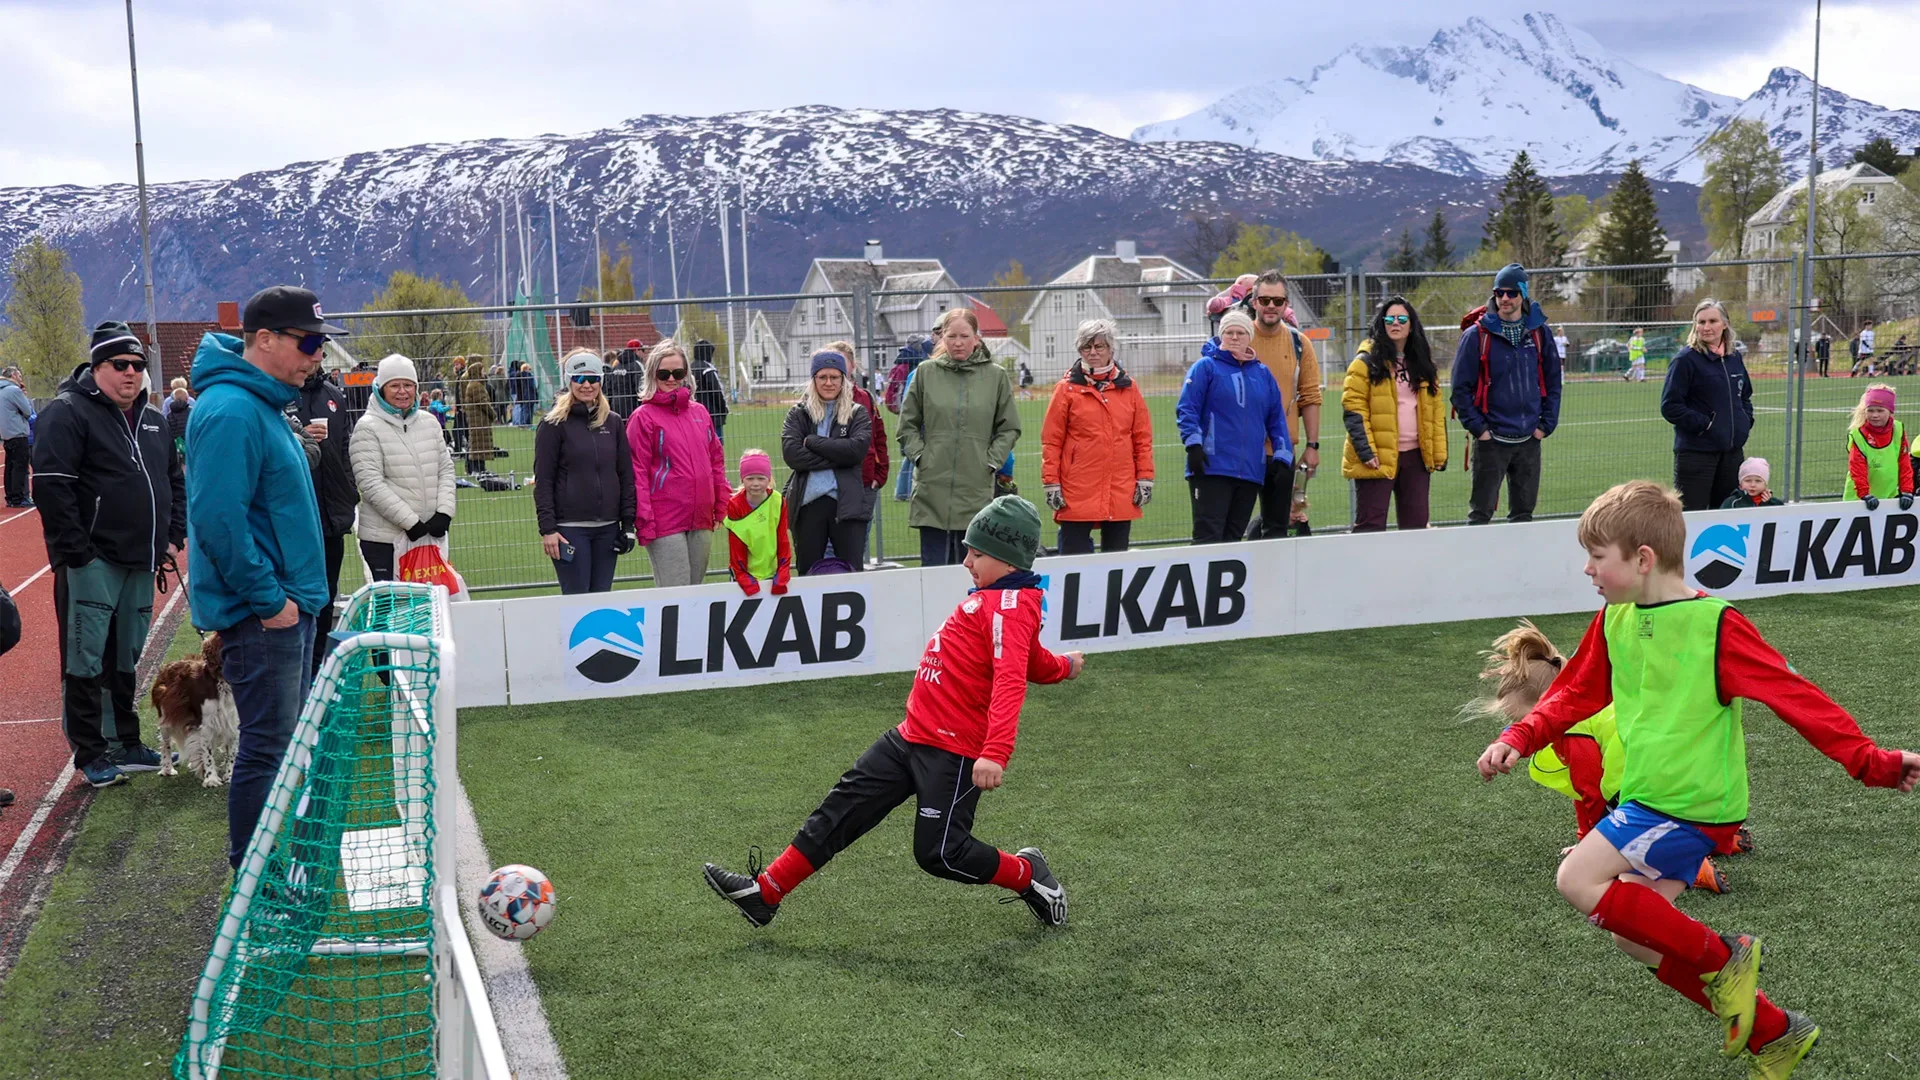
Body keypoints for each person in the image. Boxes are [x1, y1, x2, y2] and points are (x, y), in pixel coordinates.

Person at [1476, 480, 1919, 1077]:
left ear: (1643, 559)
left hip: (1688, 803)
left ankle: (1727, 955)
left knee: (1577, 878)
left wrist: (1872, 761)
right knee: (1635, 937)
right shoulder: (1616, 620)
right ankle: (1774, 1030)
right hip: (1652, 799)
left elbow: (1797, 697)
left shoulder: (1717, 625)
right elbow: (1573, 692)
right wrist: (1517, 736)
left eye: (1597, 556)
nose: (1587, 569)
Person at [702, 495, 1084, 930]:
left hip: (954, 751)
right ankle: (765, 893)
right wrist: (1064, 666)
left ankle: (1027, 873)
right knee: (841, 808)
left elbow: (1012, 677)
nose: (966, 562)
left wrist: (995, 752)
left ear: (1008, 559)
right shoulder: (996, 597)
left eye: (976, 553)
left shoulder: (1011, 607)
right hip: (911, 736)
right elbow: (1032, 661)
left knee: (941, 852)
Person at [184, 287, 340, 868]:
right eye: (310, 342)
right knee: (268, 749)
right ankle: (256, 882)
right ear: (266, 340)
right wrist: (270, 601)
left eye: (321, 343)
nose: (318, 356)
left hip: (285, 609)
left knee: (281, 746)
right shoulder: (231, 410)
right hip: (264, 616)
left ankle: (275, 870)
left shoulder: (261, 403)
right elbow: (219, 522)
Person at [1467, 620, 1736, 895]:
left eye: (1524, 720)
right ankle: (1726, 840)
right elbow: (1582, 791)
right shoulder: (1575, 714)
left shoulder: (1572, 731)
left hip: (1648, 789)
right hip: (1677, 780)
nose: (1525, 729)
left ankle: (1694, 865)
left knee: (1627, 847)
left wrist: (1595, 846)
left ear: (1545, 708)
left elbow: (1592, 792)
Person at [32, 322, 185, 789]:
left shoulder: (154, 418)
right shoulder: (69, 412)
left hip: (141, 559)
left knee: (126, 656)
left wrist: (172, 536)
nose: (131, 374)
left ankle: (126, 740)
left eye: (138, 366)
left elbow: (173, 482)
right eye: (120, 365)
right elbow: (53, 488)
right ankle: (90, 751)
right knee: (85, 658)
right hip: (93, 561)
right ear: (97, 367)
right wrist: (77, 552)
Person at [897, 308, 1020, 567]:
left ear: (976, 338)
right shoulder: (925, 373)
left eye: (965, 335)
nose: (958, 342)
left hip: (976, 487)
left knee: (972, 570)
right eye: (951, 336)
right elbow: (906, 426)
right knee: (934, 573)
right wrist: (921, 457)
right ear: (942, 338)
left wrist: (990, 462)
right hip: (933, 487)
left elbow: (1009, 428)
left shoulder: (995, 376)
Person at [1451, 264, 1562, 526]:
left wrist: (1545, 426)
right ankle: (1479, 566)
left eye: (1511, 293)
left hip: (1529, 440)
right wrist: (1480, 430)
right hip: (1492, 442)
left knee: (1523, 516)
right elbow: (1459, 389)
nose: (1504, 298)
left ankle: (1520, 567)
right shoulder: (1476, 335)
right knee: (1480, 516)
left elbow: (1554, 382)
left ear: (1523, 294)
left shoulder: (1539, 333)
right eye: (1499, 292)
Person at [1039, 318, 1153, 554]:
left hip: (1120, 486)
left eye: (1099, 346)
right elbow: (1052, 440)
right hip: (1076, 487)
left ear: (1111, 348)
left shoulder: (1129, 388)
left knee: (1116, 562)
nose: (1092, 352)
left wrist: (1145, 478)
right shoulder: (1066, 389)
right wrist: (1051, 482)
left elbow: (1142, 439)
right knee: (1074, 561)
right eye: (1086, 347)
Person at [1177, 310, 1291, 544]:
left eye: (1240, 332)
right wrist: (1193, 445)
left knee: (1233, 539)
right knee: (1208, 537)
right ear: (1221, 335)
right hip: (1211, 468)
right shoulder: (1205, 368)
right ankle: (1203, 581)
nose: (1235, 337)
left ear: (1250, 337)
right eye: (1229, 332)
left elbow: (1276, 419)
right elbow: (1187, 408)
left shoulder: (1262, 373)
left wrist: (1282, 456)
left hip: (1250, 471)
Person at [628, 339, 730, 588]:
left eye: (678, 372)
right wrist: (645, 520)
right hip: (665, 519)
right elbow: (636, 472)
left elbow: (715, 460)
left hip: (701, 516)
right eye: (664, 373)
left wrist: (720, 503)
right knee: (676, 593)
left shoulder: (700, 413)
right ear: (653, 374)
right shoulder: (643, 417)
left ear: (686, 374)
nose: (671, 378)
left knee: (695, 590)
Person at [534, 349, 636, 595]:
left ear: (601, 380)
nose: (587, 385)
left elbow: (625, 475)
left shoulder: (612, 422)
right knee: (577, 599)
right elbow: (544, 482)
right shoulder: (552, 425)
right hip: (570, 530)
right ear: (569, 381)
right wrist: (548, 530)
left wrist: (628, 525)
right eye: (579, 379)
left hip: (608, 529)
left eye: (593, 378)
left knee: (601, 598)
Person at [348, 354, 455, 585]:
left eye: (408, 385)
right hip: (385, 540)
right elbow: (370, 484)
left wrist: (444, 512)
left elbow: (446, 469)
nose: (402, 391)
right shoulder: (367, 427)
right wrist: (410, 522)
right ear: (381, 389)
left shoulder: (429, 423)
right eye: (394, 385)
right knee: (392, 612)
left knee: (428, 610)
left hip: (429, 537)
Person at [1342, 296, 1447, 532]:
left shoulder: (1423, 364)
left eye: (1401, 318)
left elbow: (1435, 412)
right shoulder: (1365, 362)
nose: (1395, 323)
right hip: (1377, 457)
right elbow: (1353, 408)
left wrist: (1437, 453)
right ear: (1382, 323)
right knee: (1370, 526)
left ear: (1411, 325)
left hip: (1416, 457)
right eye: (1389, 318)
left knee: (1416, 526)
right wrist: (1366, 451)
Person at [291, 362, 357, 678]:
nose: (314, 357)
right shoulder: (279, 395)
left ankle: (318, 677)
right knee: (299, 605)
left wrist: (349, 492)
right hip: (296, 521)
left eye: (319, 348)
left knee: (326, 600)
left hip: (332, 516)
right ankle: (300, 677)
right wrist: (301, 438)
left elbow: (345, 450)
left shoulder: (334, 395)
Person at [782, 350, 873, 575]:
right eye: (822, 377)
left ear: (844, 379)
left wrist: (813, 441)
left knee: (851, 574)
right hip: (808, 505)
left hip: (847, 504)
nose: (829, 383)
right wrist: (838, 455)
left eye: (834, 377)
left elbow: (855, 451)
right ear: (813, 380)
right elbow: (792, 455)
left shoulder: (857, 413)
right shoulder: (799, 414)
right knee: (808, 574)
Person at [1247, 271, 1322, 537]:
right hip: (1241, 451)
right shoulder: (1239, 339)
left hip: (1281, 452)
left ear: (1286, 304)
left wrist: (1312, 446)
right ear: (1254, 301)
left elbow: (1311, 397)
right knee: (1231, 529)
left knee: (1278, 527)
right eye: (1264, 299)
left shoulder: (1299, 343)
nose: (1271, 306)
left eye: (1277, 301)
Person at [1661, 299, 1754, 512]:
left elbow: (1745, 396)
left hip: (1731, 454)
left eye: (1712, 321)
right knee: (1692, 518)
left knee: (1727, 516)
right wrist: (1706, 425)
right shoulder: (1685, 360)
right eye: (1701, 322)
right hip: (1696, 455)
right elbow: (1670, 405)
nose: (1706, 327)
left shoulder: (1734, 358)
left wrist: (1744, 423)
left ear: (1725, 324)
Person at [825, 339, 890, 565]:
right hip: (829, 483)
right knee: (828, 550)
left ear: (852, 366)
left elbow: (879, 438)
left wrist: (879, 475)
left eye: (841, 362)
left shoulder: (865, 398)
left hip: (863, 483)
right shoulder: (817, 400)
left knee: (855, 549)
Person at [725, 448, 791, 595]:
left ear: (769, 479)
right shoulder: (734, 505)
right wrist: (744, 579)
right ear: (742, 479)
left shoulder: (778, 501)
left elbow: (783, 540)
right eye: (750, 478)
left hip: (773, 573)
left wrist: (782, 573)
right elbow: (736, 547)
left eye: (761, 478)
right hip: (745, 577)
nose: (755, 484)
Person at [1841, 383, 1913, 509]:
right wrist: (1864, 494)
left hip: (1889, 497)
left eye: (1880, 410)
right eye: (1871, 410)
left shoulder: (1898, 430)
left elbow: (1904, 462)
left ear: (1890, 412)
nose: (1875, 415)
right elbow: (1857, 468)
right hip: (1860, 499)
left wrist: (1907, 490)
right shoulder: (1858, 435)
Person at [887, 337, 928, 501]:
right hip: (914, 413)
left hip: (905, 411)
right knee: (915, 452)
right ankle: (907, 491)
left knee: (909, 454)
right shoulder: (917, 366)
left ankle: (903, 491)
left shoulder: (903, 361)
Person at [455, 355, 497, 475]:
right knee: (474, 442)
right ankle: (474, 468)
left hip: (471, 413)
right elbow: (477, 400)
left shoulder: (473, 381)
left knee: (473, 442)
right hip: (474, 414)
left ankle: (472, 468)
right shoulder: (471, 382)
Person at [0, 365, 34, 508]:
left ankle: (11, 497)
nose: (21, 379)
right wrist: (24, 397)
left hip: (6, 434)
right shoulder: (14, 391)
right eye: (19, 376)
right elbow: (27, 411)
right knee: (20, 467)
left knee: (9, 467)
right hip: (18, 432)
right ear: (13, 375)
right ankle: (19, 497)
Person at [691, 338, 731, 440]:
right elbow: (717, 392)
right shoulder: (708, 369)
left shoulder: (689, 368)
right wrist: (723, 410)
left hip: (693, 416)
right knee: (715, 447)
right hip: (713, 416)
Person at [510, 360, 538, 427]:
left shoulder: (524, 375)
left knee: (527, 410)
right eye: (529, 369)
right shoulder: (524, 376)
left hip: (526, 395)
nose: (530, 370)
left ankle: (526, 423)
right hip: (525, 395)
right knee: (524, 410)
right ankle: (523, 423)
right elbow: (530, 386)